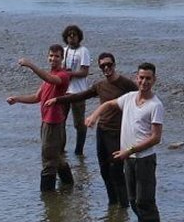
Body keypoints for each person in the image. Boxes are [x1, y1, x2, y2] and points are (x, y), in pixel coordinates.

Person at [48, 52, 138, 206]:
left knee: (116, 171)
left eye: (109, 64)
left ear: (114, 65)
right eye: (103, 66)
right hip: (102, 131)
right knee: (104, 170)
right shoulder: (100, 86)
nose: (106, 68)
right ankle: (112, 204)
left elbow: (140, 99)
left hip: (117, 133)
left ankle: (124, 206)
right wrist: (57, 100)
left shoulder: (126, 84)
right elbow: (80, 96)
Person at [87, 62, 165, 222]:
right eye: (141, 78)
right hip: (129, 159)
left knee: (145, 202)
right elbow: (108, 104)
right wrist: (94, 116)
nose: (144, 82)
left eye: (148, 78)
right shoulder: (129, 98)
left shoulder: (155, 105)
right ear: (136, 78)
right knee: (132, 200)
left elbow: (155, 138)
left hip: (144, 159)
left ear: (154, 80)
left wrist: (128, 151)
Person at [4, 44, 74, 191]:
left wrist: (30, 65)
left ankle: (48, 198)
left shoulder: (63, 75)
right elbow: (37, 97)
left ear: (62, 58)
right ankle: (69, 186)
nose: (53, 58)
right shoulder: (48, 78)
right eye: (51, 56)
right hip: (46, 122)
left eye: (57, 56)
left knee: (49, 161)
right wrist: (17, 99)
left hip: (54, 122)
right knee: (58, 157)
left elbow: (49, 78)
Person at [61, 25, 93, 156]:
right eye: (69, 35)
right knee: (60, 121)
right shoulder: (64, 50)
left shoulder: (83, 51)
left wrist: (70, 74)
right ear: (66, 37)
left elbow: (84, 72)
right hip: (64, 91)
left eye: (74, 35)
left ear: (79, 37)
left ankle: (79, 150)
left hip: (79, 92)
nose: (72, 37)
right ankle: (60, 148)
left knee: (79, 123)